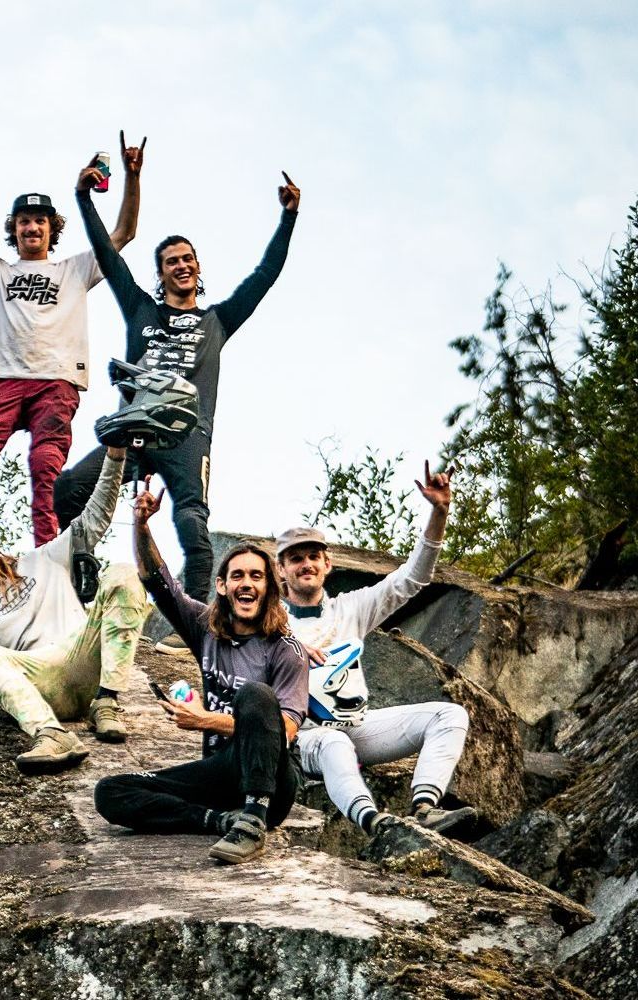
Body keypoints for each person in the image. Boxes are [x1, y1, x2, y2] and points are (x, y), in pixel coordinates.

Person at [55, 167, 301, 653]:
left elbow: (264, 276)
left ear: (198, 268)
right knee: (69, 488)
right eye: (171, 261)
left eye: (188, 259)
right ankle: (79, 576)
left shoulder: (217, 320)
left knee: (192, 524)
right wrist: (84, 199)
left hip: (187, 435)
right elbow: (109, 257)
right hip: (135, 431)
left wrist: (288, 218)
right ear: (161, 272)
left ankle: (194, 626)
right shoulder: (141, 309)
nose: (181, 266)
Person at [0, 128, 143, 544]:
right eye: (24, 221)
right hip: (2, 380)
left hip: (55, 381)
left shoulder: (75, 269)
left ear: (52, 229)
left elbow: (123, 233)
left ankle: (46, 552)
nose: (32, 227)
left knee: (45, 465)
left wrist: (132, 176)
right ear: (14, 229)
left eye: (40, 221)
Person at [94, 479, 309, 865]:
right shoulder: (206, 626)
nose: (246, 583)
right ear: (222, 586)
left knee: (255, 695)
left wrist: (206, 720)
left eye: (256, 576)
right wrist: (141, 525)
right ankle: (218, 821)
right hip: (221, 773)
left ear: (269, 589)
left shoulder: (286, 650)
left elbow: (286, 730)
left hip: (272, 782)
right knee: (112, 791)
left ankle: (253, 821)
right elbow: (159, 583)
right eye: (237, 576)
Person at [0, 443, 147, 774]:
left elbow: (95, 518)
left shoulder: (43, 559)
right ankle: (52, 735)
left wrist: (115, 456)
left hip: (85, 659)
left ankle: (107, 700)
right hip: (44, 682)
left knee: (123, 573)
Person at [276, 460, 475, 835]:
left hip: (354, 725)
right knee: (333, 741)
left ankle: (425, 808)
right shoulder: (268, 621)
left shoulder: (351, 608)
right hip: (300, 737)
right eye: (296, 558)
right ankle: (376, 823)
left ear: (327, 564)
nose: (306, 564)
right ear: (281, 570)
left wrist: (439, 512)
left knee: (448, 715)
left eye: (313, 556)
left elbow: (413, 578)